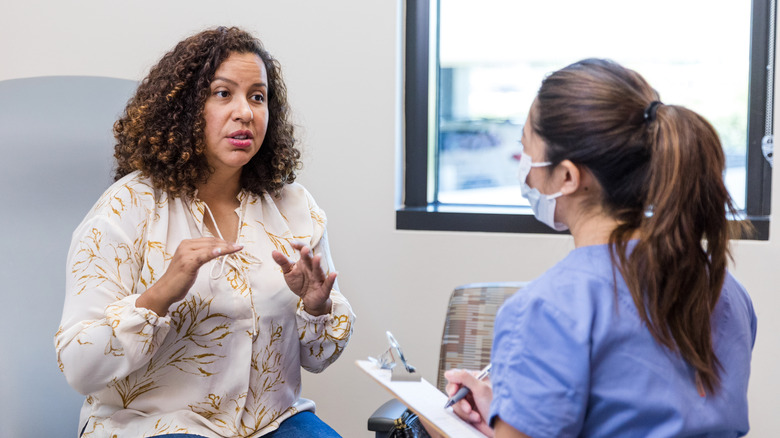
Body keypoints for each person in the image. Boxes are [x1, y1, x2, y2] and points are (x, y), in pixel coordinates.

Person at [54, 27, 355, 438]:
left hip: (272, 421)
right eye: (222, 93)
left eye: (257, 96)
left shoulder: (295, 209)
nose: (245, 112)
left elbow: (317, 358)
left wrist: (316, 307)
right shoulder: (125, 208)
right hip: (153, 424)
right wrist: (159, 294)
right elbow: (78, 365)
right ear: (184, 107)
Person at [443, 59, 757, 437]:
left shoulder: (546, 311)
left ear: (568, 176)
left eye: (526, 151)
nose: (523, 169)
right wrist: (514, 414)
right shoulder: (722, 289)